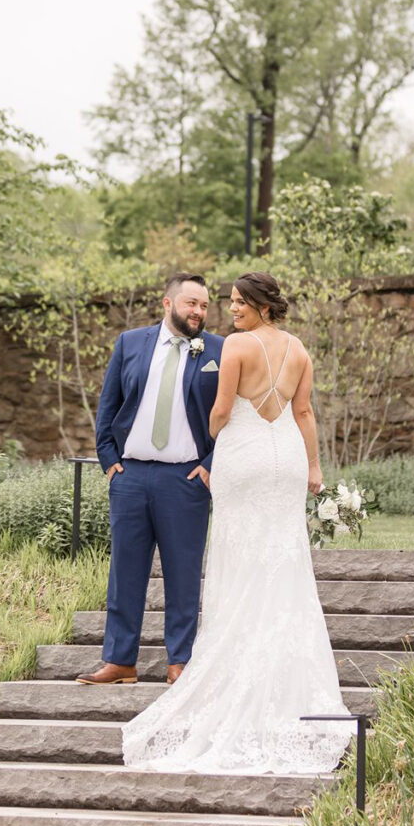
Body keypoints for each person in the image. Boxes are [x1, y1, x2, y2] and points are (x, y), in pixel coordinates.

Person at [122, 271, 354, 774]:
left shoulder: (237, 348)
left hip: (245, 457)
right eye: (229, 303)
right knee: (284, 560)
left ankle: (235, 663)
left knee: (237, 557)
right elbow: (305, 413)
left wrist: (210, 428)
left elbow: (222, 411)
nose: (232, 310)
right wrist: (315, 468)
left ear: (262, 305)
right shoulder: (300, 351)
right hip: (287, 458)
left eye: (238, 302)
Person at [77, 273, 224, 687]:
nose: (198, 312)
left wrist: (211, 463)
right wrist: (109, 459)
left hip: (185, 479)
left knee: (183, 571)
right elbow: (109, 404)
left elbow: (232, 415)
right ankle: (120, 661)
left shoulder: (218, 350)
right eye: (191, 303)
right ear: (167, 303)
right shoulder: (130, 343)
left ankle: (179, 661)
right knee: (125, 571)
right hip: (131, 476)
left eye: (204, 305)